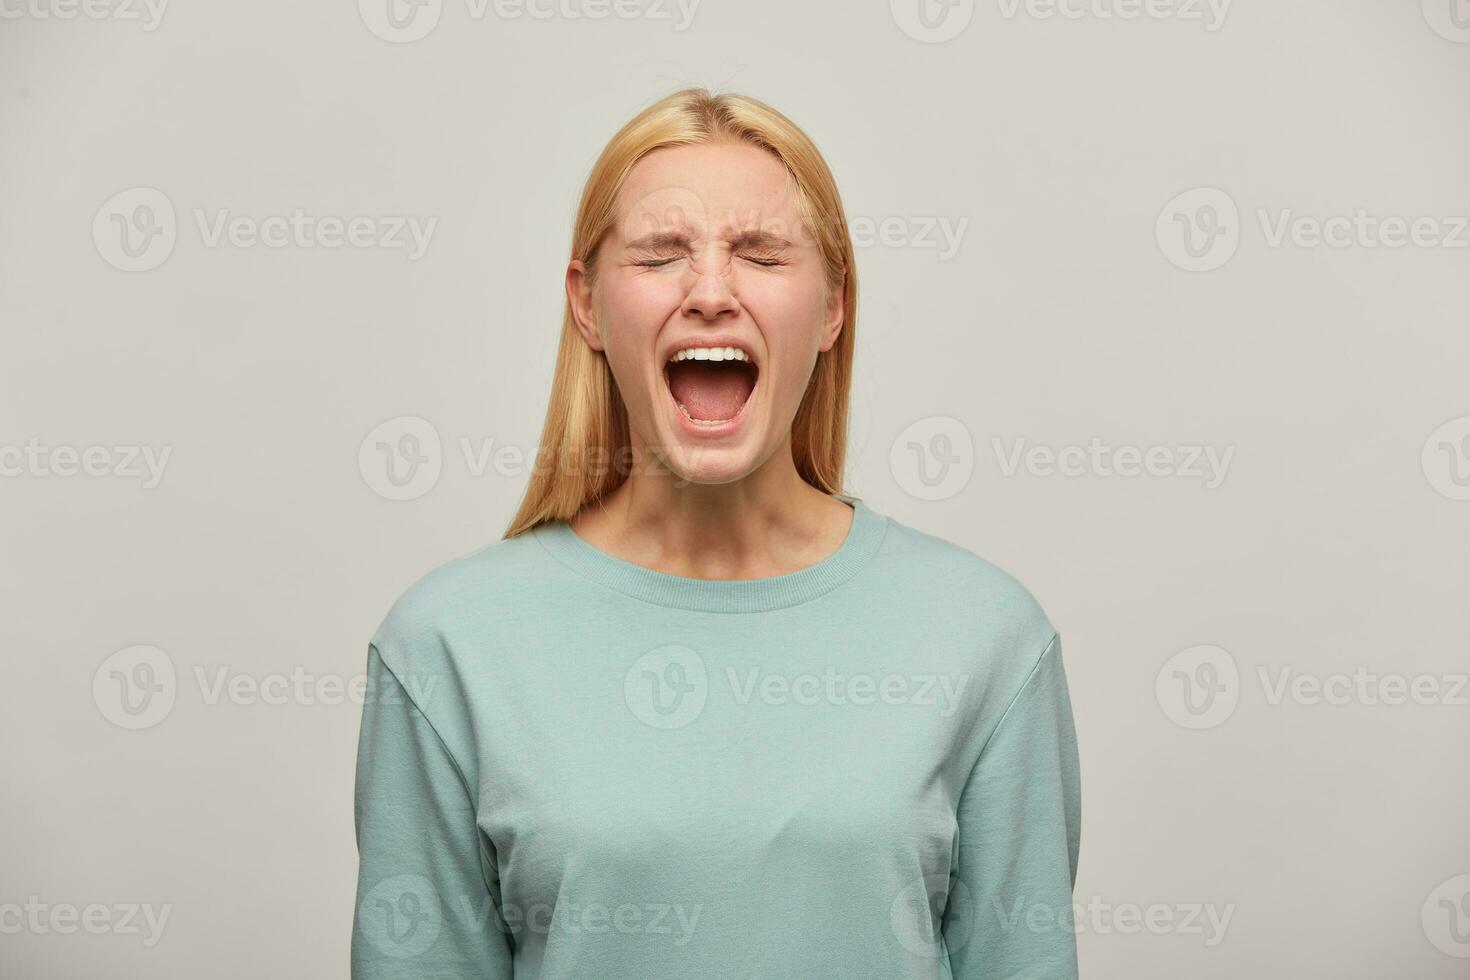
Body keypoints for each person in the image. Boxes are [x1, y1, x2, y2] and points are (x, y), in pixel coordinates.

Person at [351, 87, 1081, 979]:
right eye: (660, 254)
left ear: (833, 307)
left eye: (761, 254)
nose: (709, 293)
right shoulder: (446, 646)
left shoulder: (986, 637)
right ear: (586, 305)